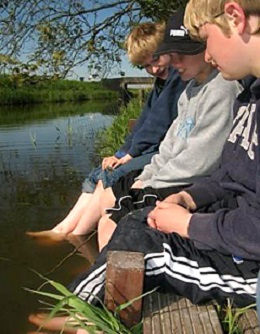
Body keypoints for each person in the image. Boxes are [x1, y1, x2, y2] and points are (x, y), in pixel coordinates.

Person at [28, 3, 251, 331]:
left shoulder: (223, 89)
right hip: (186, 191)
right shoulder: (191, 90)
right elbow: (168, 146)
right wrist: (145, 177)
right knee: (112, 208)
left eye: (178, 55)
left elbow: (198, 162)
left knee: (119, 218)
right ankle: (99, 295)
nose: (172, 63)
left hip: (201, 202)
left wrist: (151, 190)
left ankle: (104, 309)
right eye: (169, 55)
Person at [27, 22, 185, 239]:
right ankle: (63, 228)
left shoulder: (178, 77)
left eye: (156, 59)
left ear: (167, 49)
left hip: (165, 151)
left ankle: (78, 235)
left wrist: (130, 155)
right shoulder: (161, 81)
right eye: (146, 66)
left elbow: (158, 123)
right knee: (99, 173)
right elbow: (143, 122)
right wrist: (121, 152)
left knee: (114, 175)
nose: (154, 69)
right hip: (152, 148)